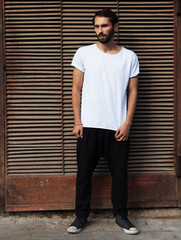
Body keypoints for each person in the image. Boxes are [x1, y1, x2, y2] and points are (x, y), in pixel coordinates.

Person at [67, 8, 139, 235]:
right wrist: (78, 121)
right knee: (84, 174)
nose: (100, 30)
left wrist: (127, 123)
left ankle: (121, 216)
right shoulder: (83, 53)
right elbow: (76, 89)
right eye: (97, 26)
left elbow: (133, 91)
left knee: (120, 175)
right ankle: (80, 217)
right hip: (88, 126)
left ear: (115, 27)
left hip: (117, 127)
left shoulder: (129, 57)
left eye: (104, 25)